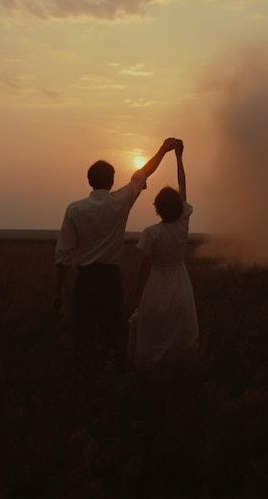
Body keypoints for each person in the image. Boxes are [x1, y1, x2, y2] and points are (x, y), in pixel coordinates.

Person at [53, 138, 177, 366]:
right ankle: (109, 379)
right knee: (111, 340)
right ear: (111, 181)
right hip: (110, 279)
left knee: (83, 340)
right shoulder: (120, 200)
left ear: (89, 181)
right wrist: (162, 150)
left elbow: (63, 257)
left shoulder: (74, 209)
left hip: (85, 280)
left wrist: (58, 294)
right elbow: (143, 174)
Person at [128, 139, 199, 366]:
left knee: (153, 334)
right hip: (181, 283)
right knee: (181, 337)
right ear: (179, 207)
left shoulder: (150, 233)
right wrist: (179, 158)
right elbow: (183, 187)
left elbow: (142, 267)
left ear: (157, 208)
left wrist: (137, 295)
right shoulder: (182, 224)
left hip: (156, 286)